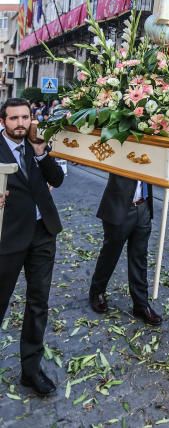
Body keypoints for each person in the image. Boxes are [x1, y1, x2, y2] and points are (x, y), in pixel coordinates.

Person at [0, 97, 64, 396]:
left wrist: (41, 153)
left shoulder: (35, 145)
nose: (20, 123)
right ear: (3, 121)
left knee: (38, 303)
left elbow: (57, 179)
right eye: (14, 118)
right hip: (7, 238)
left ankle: (31, 370)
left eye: (25, 117)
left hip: (42, 234)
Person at [89, 174, 162, 326]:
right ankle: (97, 292)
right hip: (119, 207)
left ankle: (141, 304)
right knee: (110, 254)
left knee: (139, 257)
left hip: (143, 207)